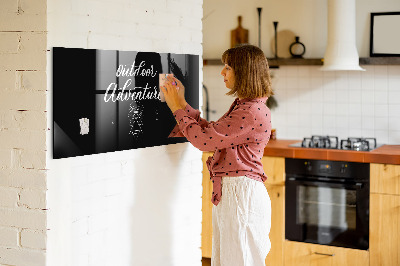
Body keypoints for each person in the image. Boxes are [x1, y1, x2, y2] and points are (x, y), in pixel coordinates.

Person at [161, 44, 273, 266]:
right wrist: (182, 103)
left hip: (241, 195)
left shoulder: (250, 111)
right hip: (236, 193)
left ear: (244, 72)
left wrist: (176, 108)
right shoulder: (246, 106)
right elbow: (212, 133)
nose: (222, 72)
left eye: (228, 67)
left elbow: (204, 141)